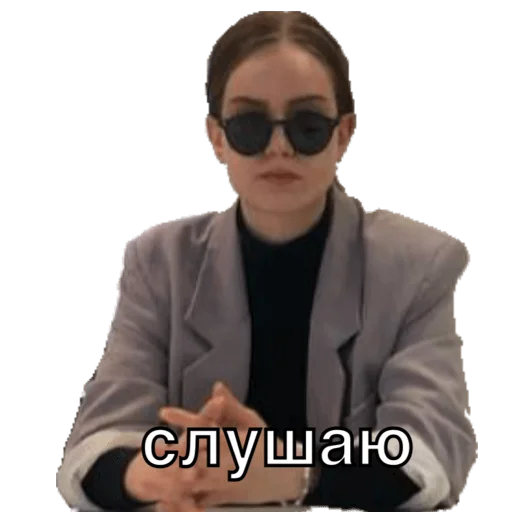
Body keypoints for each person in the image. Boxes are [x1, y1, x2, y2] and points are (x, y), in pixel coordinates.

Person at [57, 9, 476, 512]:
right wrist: (152, 476)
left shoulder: (417, 265)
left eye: (307, 125)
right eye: (251, 125)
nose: (279, 147)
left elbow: (430, 454)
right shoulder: (160, 264)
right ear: (217, 136)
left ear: (343, 133)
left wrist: (288, 471)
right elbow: (96, 444)